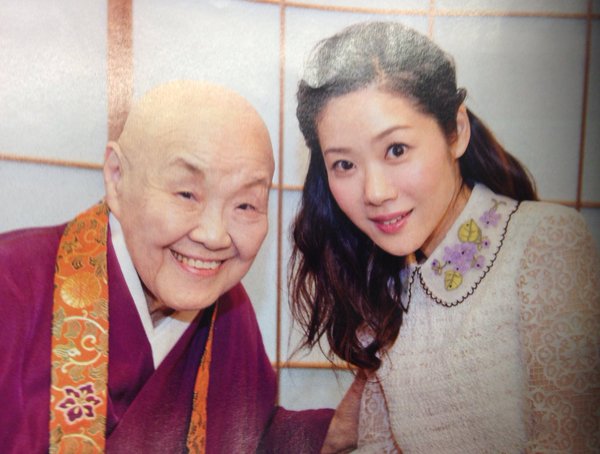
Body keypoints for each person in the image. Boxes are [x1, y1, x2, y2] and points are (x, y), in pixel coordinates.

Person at [289, 21, 600, 453]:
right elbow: (379, 445)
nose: (375, 192)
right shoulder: (383, 282)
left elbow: (572, 442)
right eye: (345, 165)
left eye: (396, 150)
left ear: (456, 131)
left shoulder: (546, 243)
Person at [0, 80, 335, 453]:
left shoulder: (227, 307)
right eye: (187, 194)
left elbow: (248, 435)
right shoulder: (10, 283)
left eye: (245, 205)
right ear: (117, 177)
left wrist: (345, 425)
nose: (214, 236)